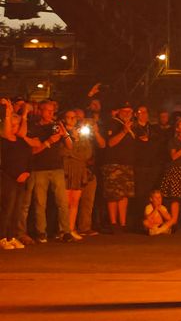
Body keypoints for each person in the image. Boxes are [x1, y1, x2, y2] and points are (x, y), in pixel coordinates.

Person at [27, 100, 76, 242]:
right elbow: (33, 151)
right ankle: (41, 232)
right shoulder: (34, 127)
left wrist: (64, 132)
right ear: (40, 111)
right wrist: (48, 141)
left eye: (52, 111)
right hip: (39, 169)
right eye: (47, 110)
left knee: (62, 201)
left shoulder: (56, 126)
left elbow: (70, 146)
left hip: (57, 168)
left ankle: (65, 231)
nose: (50, 113)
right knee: (40, 203)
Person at [0, 99, 32, 249]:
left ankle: (11, 236)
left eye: (16, 125)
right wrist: (8, 113)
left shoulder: (22, 141)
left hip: (22, 179)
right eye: (12, 125)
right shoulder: (5, 141)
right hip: (8, 179)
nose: (15, 128)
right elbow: (5, 164)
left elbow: (28, 158)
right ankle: (2, 238)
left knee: (16, 209)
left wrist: (26, 172)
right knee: (6, 209)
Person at [101, 102, 137, 231]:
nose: (127, 114)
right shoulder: (112, 123)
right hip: (113, 164)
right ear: (118, 112)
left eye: (129, 112)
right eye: (124, 111)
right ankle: (113, 222)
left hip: (127, 164)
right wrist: (123, 132)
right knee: (113, 195)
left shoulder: (132, 125)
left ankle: (122, 223)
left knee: (124, 195)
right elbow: (110, 143)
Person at [62, 109, 97, 237]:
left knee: (75, 201)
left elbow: (87, 153)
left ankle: (71, 229)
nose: (71, 120)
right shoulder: (62, 133)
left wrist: (74, 151)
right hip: (66, 169)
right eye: (69, 117)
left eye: (74, 117)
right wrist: (75, 146)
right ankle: (64, 229)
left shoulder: (81, 134)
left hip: (79, 170)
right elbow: (63, 152)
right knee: (65, 202)